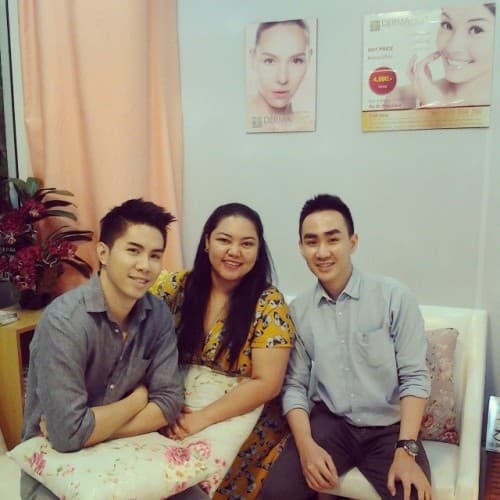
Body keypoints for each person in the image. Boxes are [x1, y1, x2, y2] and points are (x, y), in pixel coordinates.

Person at [20, 198, 207, 500]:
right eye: (133, 250)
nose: (145, 266)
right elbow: (65, 437)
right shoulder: (64, 322)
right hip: (55, 466)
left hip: (126, 452)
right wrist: (138, 400)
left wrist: (93, 430)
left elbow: (169, 402)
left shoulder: (158, 314)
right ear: (103, 253)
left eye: (155, 255)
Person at [260, 194, 432, 500]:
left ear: (352, 242)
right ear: (301, 248)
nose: (322, 252)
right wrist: (306, 446)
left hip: (390, 429)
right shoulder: (299, 311)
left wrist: (406, 449)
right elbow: (294, 385)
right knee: (276, 493)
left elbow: (415, 377)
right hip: (332, 424)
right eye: (312, 241)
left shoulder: (394, 298)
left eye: (333, 239)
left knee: (413, 496)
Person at [150, 202, 295, 499]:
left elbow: (268, 383)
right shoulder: (174, 287)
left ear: (258, 250)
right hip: (173, 410)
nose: (234, 251)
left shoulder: (269, 303)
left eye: (247, 244)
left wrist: (200, 419)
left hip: (240, 418)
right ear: (207, 242)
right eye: (224, 240)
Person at [384, 4, 495, 109]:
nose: (452, 47)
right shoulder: (401, 98)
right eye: (447, 25)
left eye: (476, 30)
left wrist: (435, 104)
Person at [247, 19, 315, 132]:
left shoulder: (309, 125)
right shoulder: (237, 121)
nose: (282, 79)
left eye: (296, 61)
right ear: (253, 58)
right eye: (269, 61)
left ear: (309, 59)